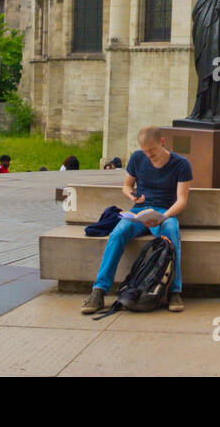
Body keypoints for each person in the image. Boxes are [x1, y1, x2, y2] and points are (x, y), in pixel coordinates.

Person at [82, 128, 192, 315]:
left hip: (165, 212)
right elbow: (127, 185)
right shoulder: (137, 158)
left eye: (152, 151)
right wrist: (131, 195)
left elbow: (182, 200)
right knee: (117, 234)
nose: (149, 155)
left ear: (162, 142)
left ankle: (174, 291)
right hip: (139, 212)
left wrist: (163, 217)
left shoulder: (181, 164)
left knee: (172, 233)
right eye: (145, 151)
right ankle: (99, 291)